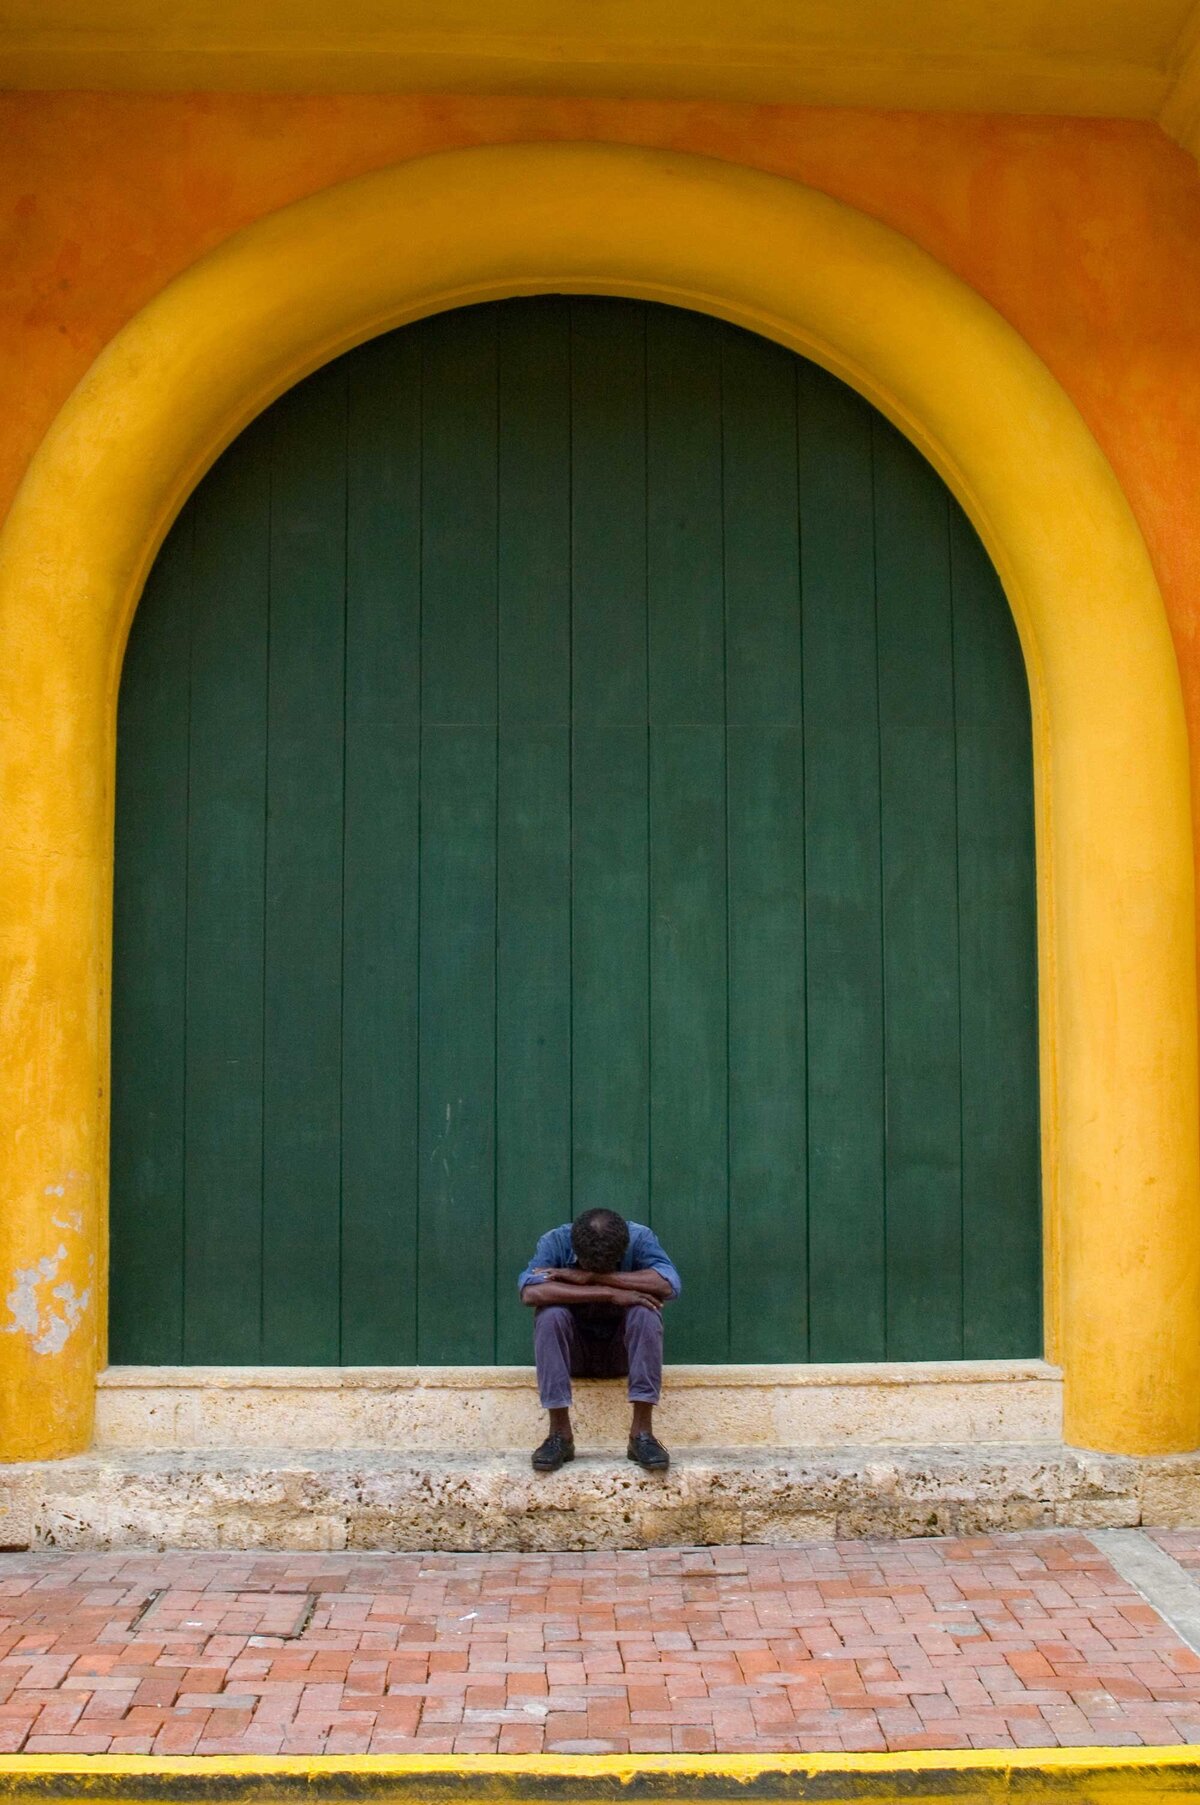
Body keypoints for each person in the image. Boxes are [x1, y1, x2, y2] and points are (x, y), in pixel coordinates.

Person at [518, 1207, 681, 1475]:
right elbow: (530, 1292)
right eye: (588, 1265)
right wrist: (608, 1293)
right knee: (550, 1315)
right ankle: (560, 1435)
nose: (597, 1270)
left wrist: (593, 1277)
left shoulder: (640, 1238)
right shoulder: (555, 1241)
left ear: (623, 1248)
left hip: (622, 1354)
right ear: (575, 1247)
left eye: (608, 1265)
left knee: (645, 1312)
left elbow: (669, 1285)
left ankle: (641, 1435)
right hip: (575, 1355)